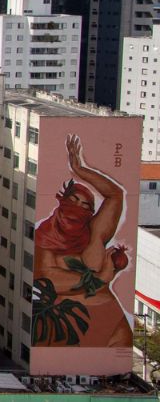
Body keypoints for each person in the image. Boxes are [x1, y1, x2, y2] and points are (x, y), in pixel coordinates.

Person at [34, 134, 132, 347]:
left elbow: (115, 195)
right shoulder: (46, 238)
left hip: (111, 321)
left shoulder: (94, 234)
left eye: (85, 205)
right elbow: (48, 277)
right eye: (73, 200)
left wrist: (79, 169)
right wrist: (102, 278)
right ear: (62, 202)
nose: (78, 208)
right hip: (68, 328)